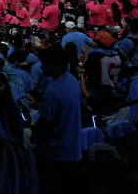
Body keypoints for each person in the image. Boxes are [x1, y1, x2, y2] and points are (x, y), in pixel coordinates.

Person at [33, 44, 83, 193]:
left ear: (57, 65)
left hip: (55, 153)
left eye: (45, 64)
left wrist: (34, 135)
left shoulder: (53, 91)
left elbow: (45, 122)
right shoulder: (72, 80)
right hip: (73, 149)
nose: (42, 68)